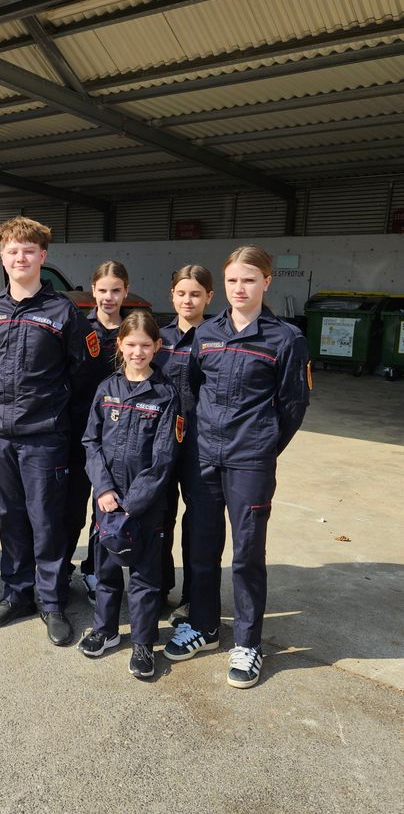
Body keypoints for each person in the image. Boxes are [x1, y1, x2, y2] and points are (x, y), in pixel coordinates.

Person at [164, 246, 310, 689]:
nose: (239, 288)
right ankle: (205, 627)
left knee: (247, 554)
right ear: (223, 286)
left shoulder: (285, 339)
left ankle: (248, 641)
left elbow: (293, 405)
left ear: (267, 283)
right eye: (232, 281)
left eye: (249, 280)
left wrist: (263, 447)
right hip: (204, 458)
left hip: (250, 461)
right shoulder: (207, 333)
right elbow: (192, 391)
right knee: (201, 547)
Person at [0, 216, 92, 647]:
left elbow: (84, 373)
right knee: (12, 518)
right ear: (1, 258)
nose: (19, 257)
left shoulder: (63, 313)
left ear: (43, 256)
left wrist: (57, 418)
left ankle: (52, 601)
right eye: (11, 251)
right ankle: (16, 594)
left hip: (45, 436)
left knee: (47, 521)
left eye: (28, 250)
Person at [78, 310, 181, 678]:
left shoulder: (166, 395)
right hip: (106, 502)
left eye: (145, 345)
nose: (138, 352)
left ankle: (142, 642)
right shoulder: (107, 389)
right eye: (131, 344)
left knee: (145, 576)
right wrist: (104, 489)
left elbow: (165, 457)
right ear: (119, 345)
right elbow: (90, 441)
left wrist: (134, 504)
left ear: (157, 346)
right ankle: (105, 630)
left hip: (145, 506)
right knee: (105, 570)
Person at [63, 261, 129, 606]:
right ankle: (61, 571)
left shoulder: (133, 333)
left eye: (115, 290)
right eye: (102, 290)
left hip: (119, 438)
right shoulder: (79, 329)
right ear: (93, 291)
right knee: (72, 506)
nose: (108, 297)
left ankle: (94, 569)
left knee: (105, 509)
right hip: (79, 434)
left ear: (126, 292)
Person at [154, 265, 214, 624]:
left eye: (196, 293)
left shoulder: (216, 338)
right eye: (181, 293)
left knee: (198, 525)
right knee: (159, 517)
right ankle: (158, 588)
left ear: (209, 296)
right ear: (172, 295)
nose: (187, 300)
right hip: (161, 443)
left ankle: (194, 598)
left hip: (200, 445)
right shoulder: (158, 337)